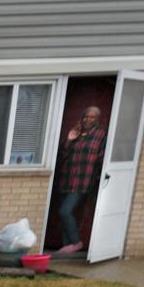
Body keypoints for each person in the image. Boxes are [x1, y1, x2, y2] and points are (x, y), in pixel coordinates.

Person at [54, 106, 106, 253]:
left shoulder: (101, 134)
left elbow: (102, 158)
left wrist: (100, 178)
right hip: (66, 178)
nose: (88, 119)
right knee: (63, 214)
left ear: (97, 119)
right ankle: (67, 246)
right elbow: (62, 155)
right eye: (86, 116)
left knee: (65, 211)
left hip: (83, 181)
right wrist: (69, 140)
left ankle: (76, 242)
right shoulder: (76, 132)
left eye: (92, 117)